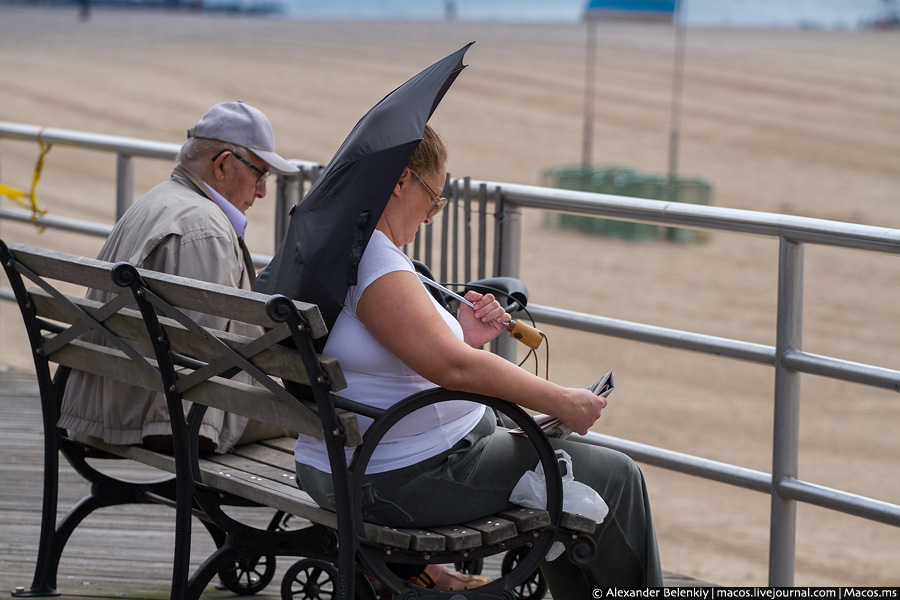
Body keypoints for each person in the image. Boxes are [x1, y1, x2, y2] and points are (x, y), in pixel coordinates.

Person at [290, 125, 664, 594]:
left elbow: (389, 351)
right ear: (401, 180)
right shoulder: (373, 262)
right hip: (395, 481)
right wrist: (563, 400)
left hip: (345, 464)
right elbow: (455, 370)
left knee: (568, 477)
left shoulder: (329, 243)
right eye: (434, 199)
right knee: (617, 477)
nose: (430, 217)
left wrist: (462, 333)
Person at [59, 101, 299, 454]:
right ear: (223, 164)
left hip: (110, 401)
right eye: (260, 174)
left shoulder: (158, 200)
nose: (262, 191)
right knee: (313, 425)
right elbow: (203, 363)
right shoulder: (207, 230)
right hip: (166, 420)